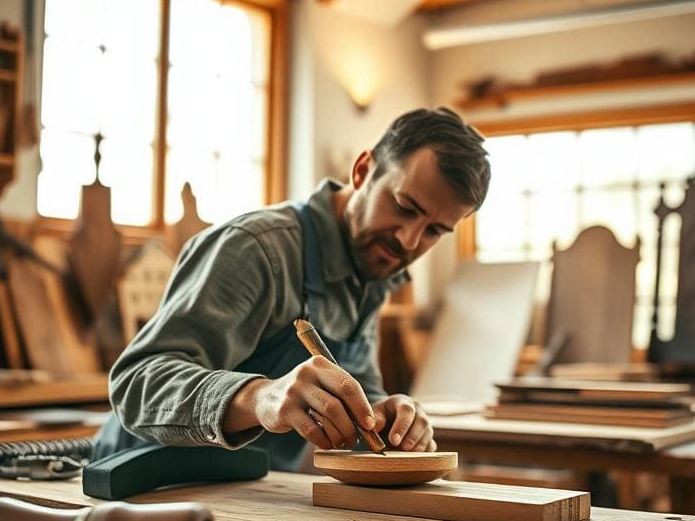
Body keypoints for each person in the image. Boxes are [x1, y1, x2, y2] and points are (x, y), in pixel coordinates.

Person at [95, 107, 491, 469]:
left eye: (435, 231)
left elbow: (359, 396)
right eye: (405, 207)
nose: (409, 240)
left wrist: (384, 418)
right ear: (363, 170)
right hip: (137, 489)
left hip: (245, 497)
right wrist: (261, 398)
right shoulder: (256, 250)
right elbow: (136, 384)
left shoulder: (375, 266)